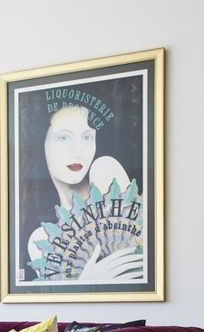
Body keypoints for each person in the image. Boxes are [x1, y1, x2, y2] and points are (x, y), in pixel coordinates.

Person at [23, 104, 143, 283]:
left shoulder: (106, 173)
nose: (77, 151)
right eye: (63, 137)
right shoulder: (40, 238)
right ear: (41, 142)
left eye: (87, 137)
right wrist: (87, 282)